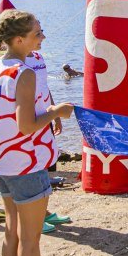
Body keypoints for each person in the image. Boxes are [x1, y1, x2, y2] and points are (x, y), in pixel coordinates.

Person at [0, 9, 74, 256]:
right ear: (19, 39)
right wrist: (56, 113)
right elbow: (25, 125)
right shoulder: (25, 72)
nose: (43, 37)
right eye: (37, 33)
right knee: (30, 239)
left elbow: (4, 113)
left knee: (12, 233)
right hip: (25, 163)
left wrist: (44, 110)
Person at [24, 51, 72, 234]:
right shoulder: (14, 61)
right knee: (30, 168)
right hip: (31, 121)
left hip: (45, 118)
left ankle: (44, 212)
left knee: (44, 165)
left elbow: (44, 87)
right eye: (37, 32)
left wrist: (55, 114)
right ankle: (33, 218)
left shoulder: (38, 57)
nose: (42, 36)